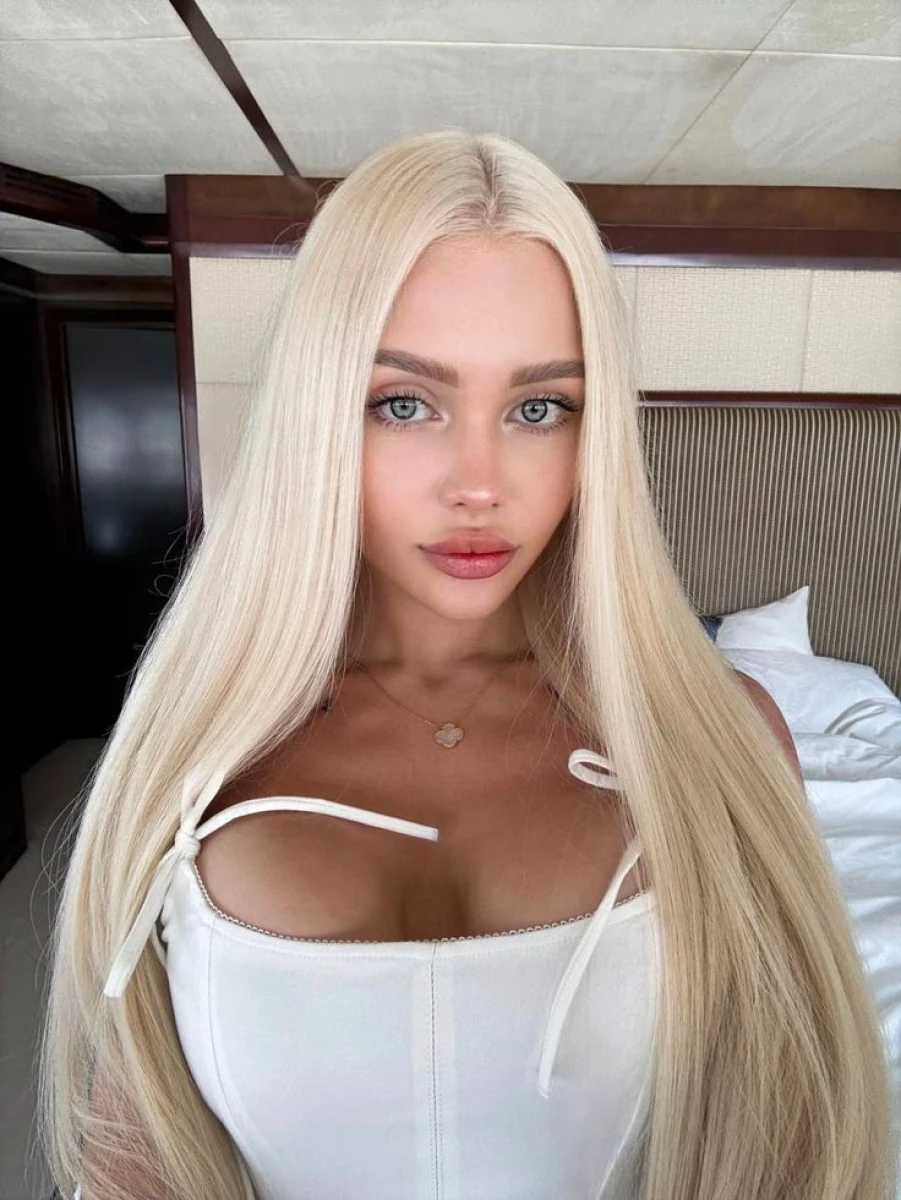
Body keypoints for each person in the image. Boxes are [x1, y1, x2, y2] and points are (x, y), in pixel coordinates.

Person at [40, 130, 895, 1200]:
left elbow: (789, 1136)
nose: (479, 484)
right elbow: (135, 1151)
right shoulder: (195, 743)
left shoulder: (724, 740)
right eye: (404, 402)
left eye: (539, 408)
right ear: (316, 414)